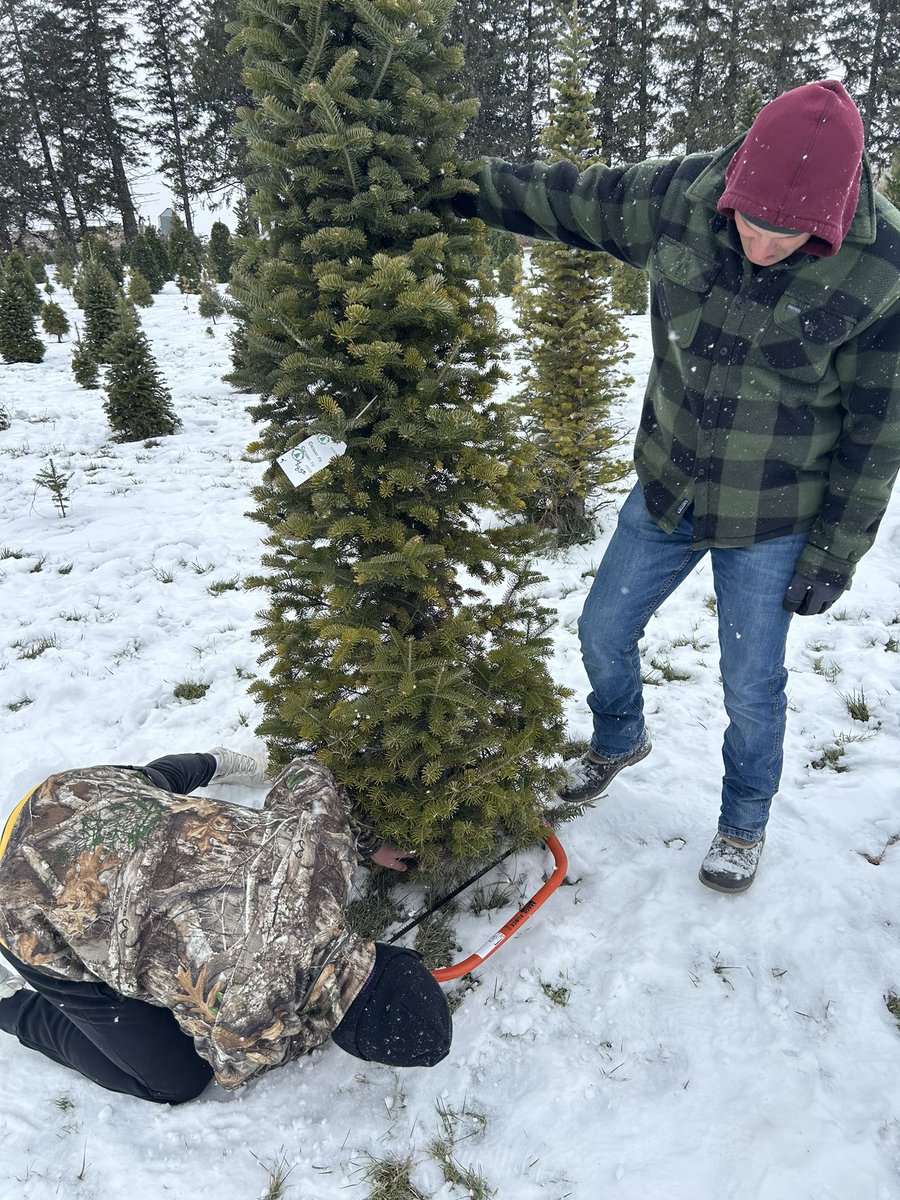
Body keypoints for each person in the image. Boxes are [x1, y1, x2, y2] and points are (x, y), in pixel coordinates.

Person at [453, 80, 900, 892]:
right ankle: (618, 737)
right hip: (668, 485)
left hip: (774, 513)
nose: (764, 243)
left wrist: (834, 555)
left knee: (751, 685)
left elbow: (879, 435)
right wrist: (452, 184)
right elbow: (565, 196)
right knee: (601, 628)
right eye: (752, 221)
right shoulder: (680, 195)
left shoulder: (885, 271)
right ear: (734, 186)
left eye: (791, 234)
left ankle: (743, 819)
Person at [0, 747, 451, 1103]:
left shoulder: (322, 859)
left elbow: (310, 775)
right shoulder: (252, 1018)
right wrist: (306, 1029)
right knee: (172, 1080)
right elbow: (229, 1063)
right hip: (20, 902)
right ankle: (12, 1007)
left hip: (74, 794)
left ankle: (215, 762)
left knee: (157, 795)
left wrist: (363, 843)